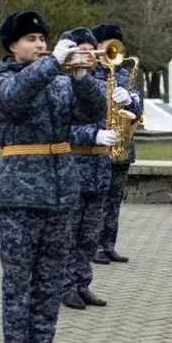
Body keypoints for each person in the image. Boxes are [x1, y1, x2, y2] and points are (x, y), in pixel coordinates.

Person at [0, 10, 106, 343]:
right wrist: (53, 62)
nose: (39, 45)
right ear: (12, 46)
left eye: (43, 40)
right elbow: (13, 99)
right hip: (20, 193)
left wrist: (83, 76)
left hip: (59, 192)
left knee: (50, 279)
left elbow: (95, 111)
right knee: (19, 281)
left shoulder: (59, 81)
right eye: (31, 40)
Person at [61, 27, 114, 311]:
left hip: (99, 167)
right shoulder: (62, 82)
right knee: (69, 233)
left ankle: (83, 283)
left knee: (90, 234)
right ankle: (65, 286)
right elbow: (59, 128)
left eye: (90, 49)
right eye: (81, 48)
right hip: (74, 163)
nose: (88, 54)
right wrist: (90, 135)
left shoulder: (102, 79)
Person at [90, 23, 142, 264]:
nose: (112, 49)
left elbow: (138, 110)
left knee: (114, 200)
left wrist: (130, 100)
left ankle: (108, 244)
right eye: (106, 43)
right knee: (96, 201)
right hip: (95, 145)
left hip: (121, 146)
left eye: (116, 44)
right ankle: (91, 247)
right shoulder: (88, 73)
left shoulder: (124, 74)